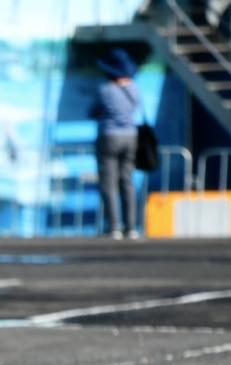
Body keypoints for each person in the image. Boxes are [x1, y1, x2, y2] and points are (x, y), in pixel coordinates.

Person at [91, 47, 141, 240]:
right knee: (126, 181)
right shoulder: (134, 88)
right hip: (131, 136)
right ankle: (131, 226)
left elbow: (93, 112)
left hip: (109, 136)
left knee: (108, 183)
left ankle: (114, 226)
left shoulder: (105, 90)